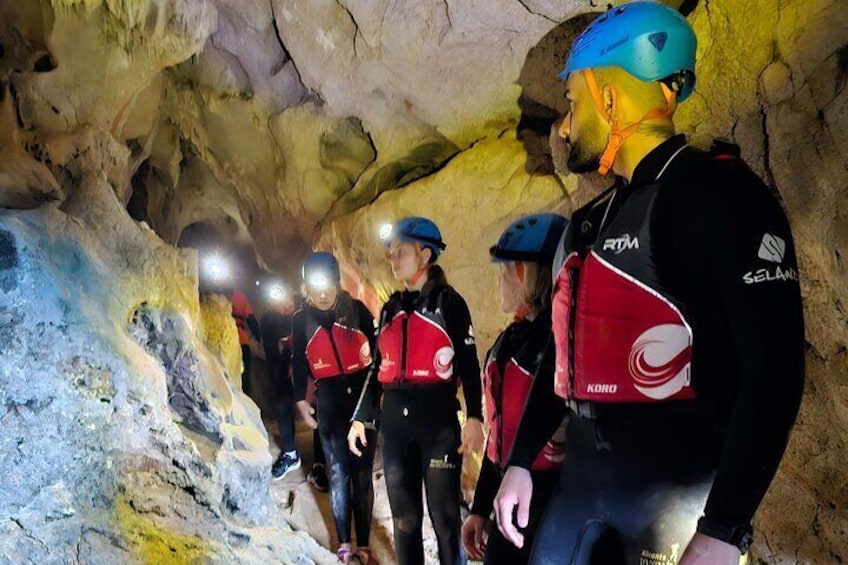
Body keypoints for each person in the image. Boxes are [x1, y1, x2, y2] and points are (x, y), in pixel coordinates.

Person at [494, 3, 805, 564]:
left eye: (572, 102)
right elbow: (558, 359)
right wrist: (519, 460)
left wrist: (724, 529)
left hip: (674, 505)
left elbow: (775, 371)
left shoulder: (722, 197)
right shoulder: (588, 223)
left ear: (609, 100)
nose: (565, 125)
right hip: (579, 490)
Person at [348, 217, 485, 565]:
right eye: (390, 254)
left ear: (425, 254)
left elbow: (469, 364)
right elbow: (377, 368)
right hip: (394, 424)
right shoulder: (391, 307)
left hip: (437, 421)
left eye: (400, 253)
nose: (392, 260)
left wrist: (474, 417)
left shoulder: (451, 304)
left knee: (445, 520)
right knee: (404, 521)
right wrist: (360, 418)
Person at [461, 214, 569, 565]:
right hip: (511, 503)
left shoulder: (563, 340)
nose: (500, 282)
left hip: (553, 512)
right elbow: (500, 438)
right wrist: (480, 508)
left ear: (524, 272)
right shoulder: (511, 340)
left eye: (504, 271)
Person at [291, 252, 379, 563]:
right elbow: (299, 362)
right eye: (316, 287)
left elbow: (379, 354)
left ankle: (365, 545)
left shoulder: (355, 310)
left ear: (337, 284)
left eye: (328, 285)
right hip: (329, 400)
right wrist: (301, 400)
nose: (323, 293)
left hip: (361, 397)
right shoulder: (301, 320)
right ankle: (344, 545)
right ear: (306, 288)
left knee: (362, 473)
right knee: (339, 472)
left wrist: (374, 399)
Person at [258, 280, 302, 480]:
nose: (286, 306)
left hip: (308, 365)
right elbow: (272, 353)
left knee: (320, 407)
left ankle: (321, 462)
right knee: (283, 404)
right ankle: (291, 454)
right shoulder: (268, 320)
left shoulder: (304, 312)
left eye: (289, 301)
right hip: (283, 366)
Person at [230, 288, 260, 398]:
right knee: (243, 375)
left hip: (238, 339)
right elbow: (251, 320)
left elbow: (251, 320)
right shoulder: (239, 296)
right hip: (234, 340)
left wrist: (258, 337)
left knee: (244, 374)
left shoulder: (239, 296)